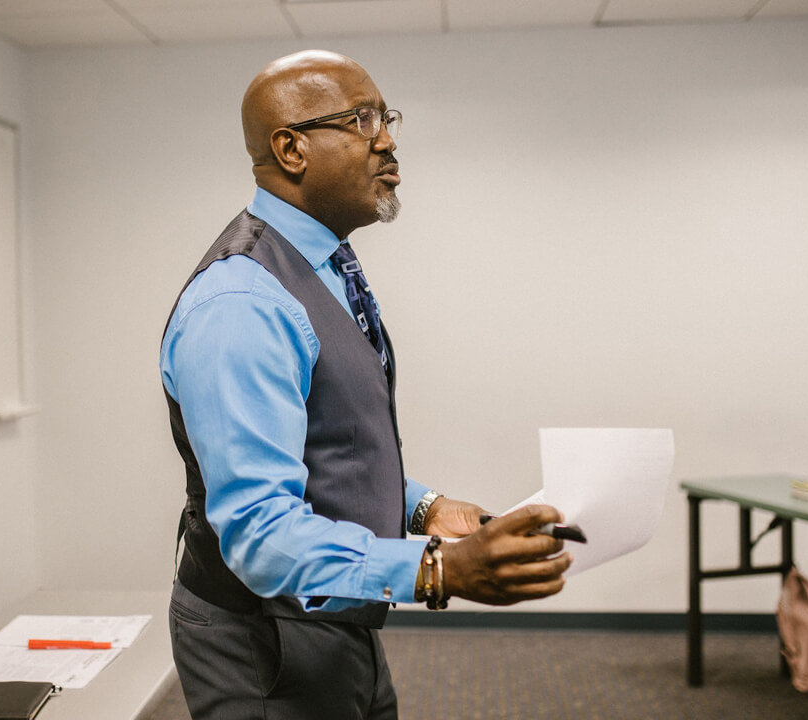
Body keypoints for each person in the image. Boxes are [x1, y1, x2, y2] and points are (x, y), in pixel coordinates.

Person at [159, 50, 572, 720]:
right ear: (291, 149)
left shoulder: (324, 264)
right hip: (263, 645)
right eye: (361, 120)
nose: (387, 140)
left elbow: (328, 444)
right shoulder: (241, 304)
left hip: (334, 613)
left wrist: (422, 509)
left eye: (386, 117)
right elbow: (261, 534)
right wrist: (440, 569)